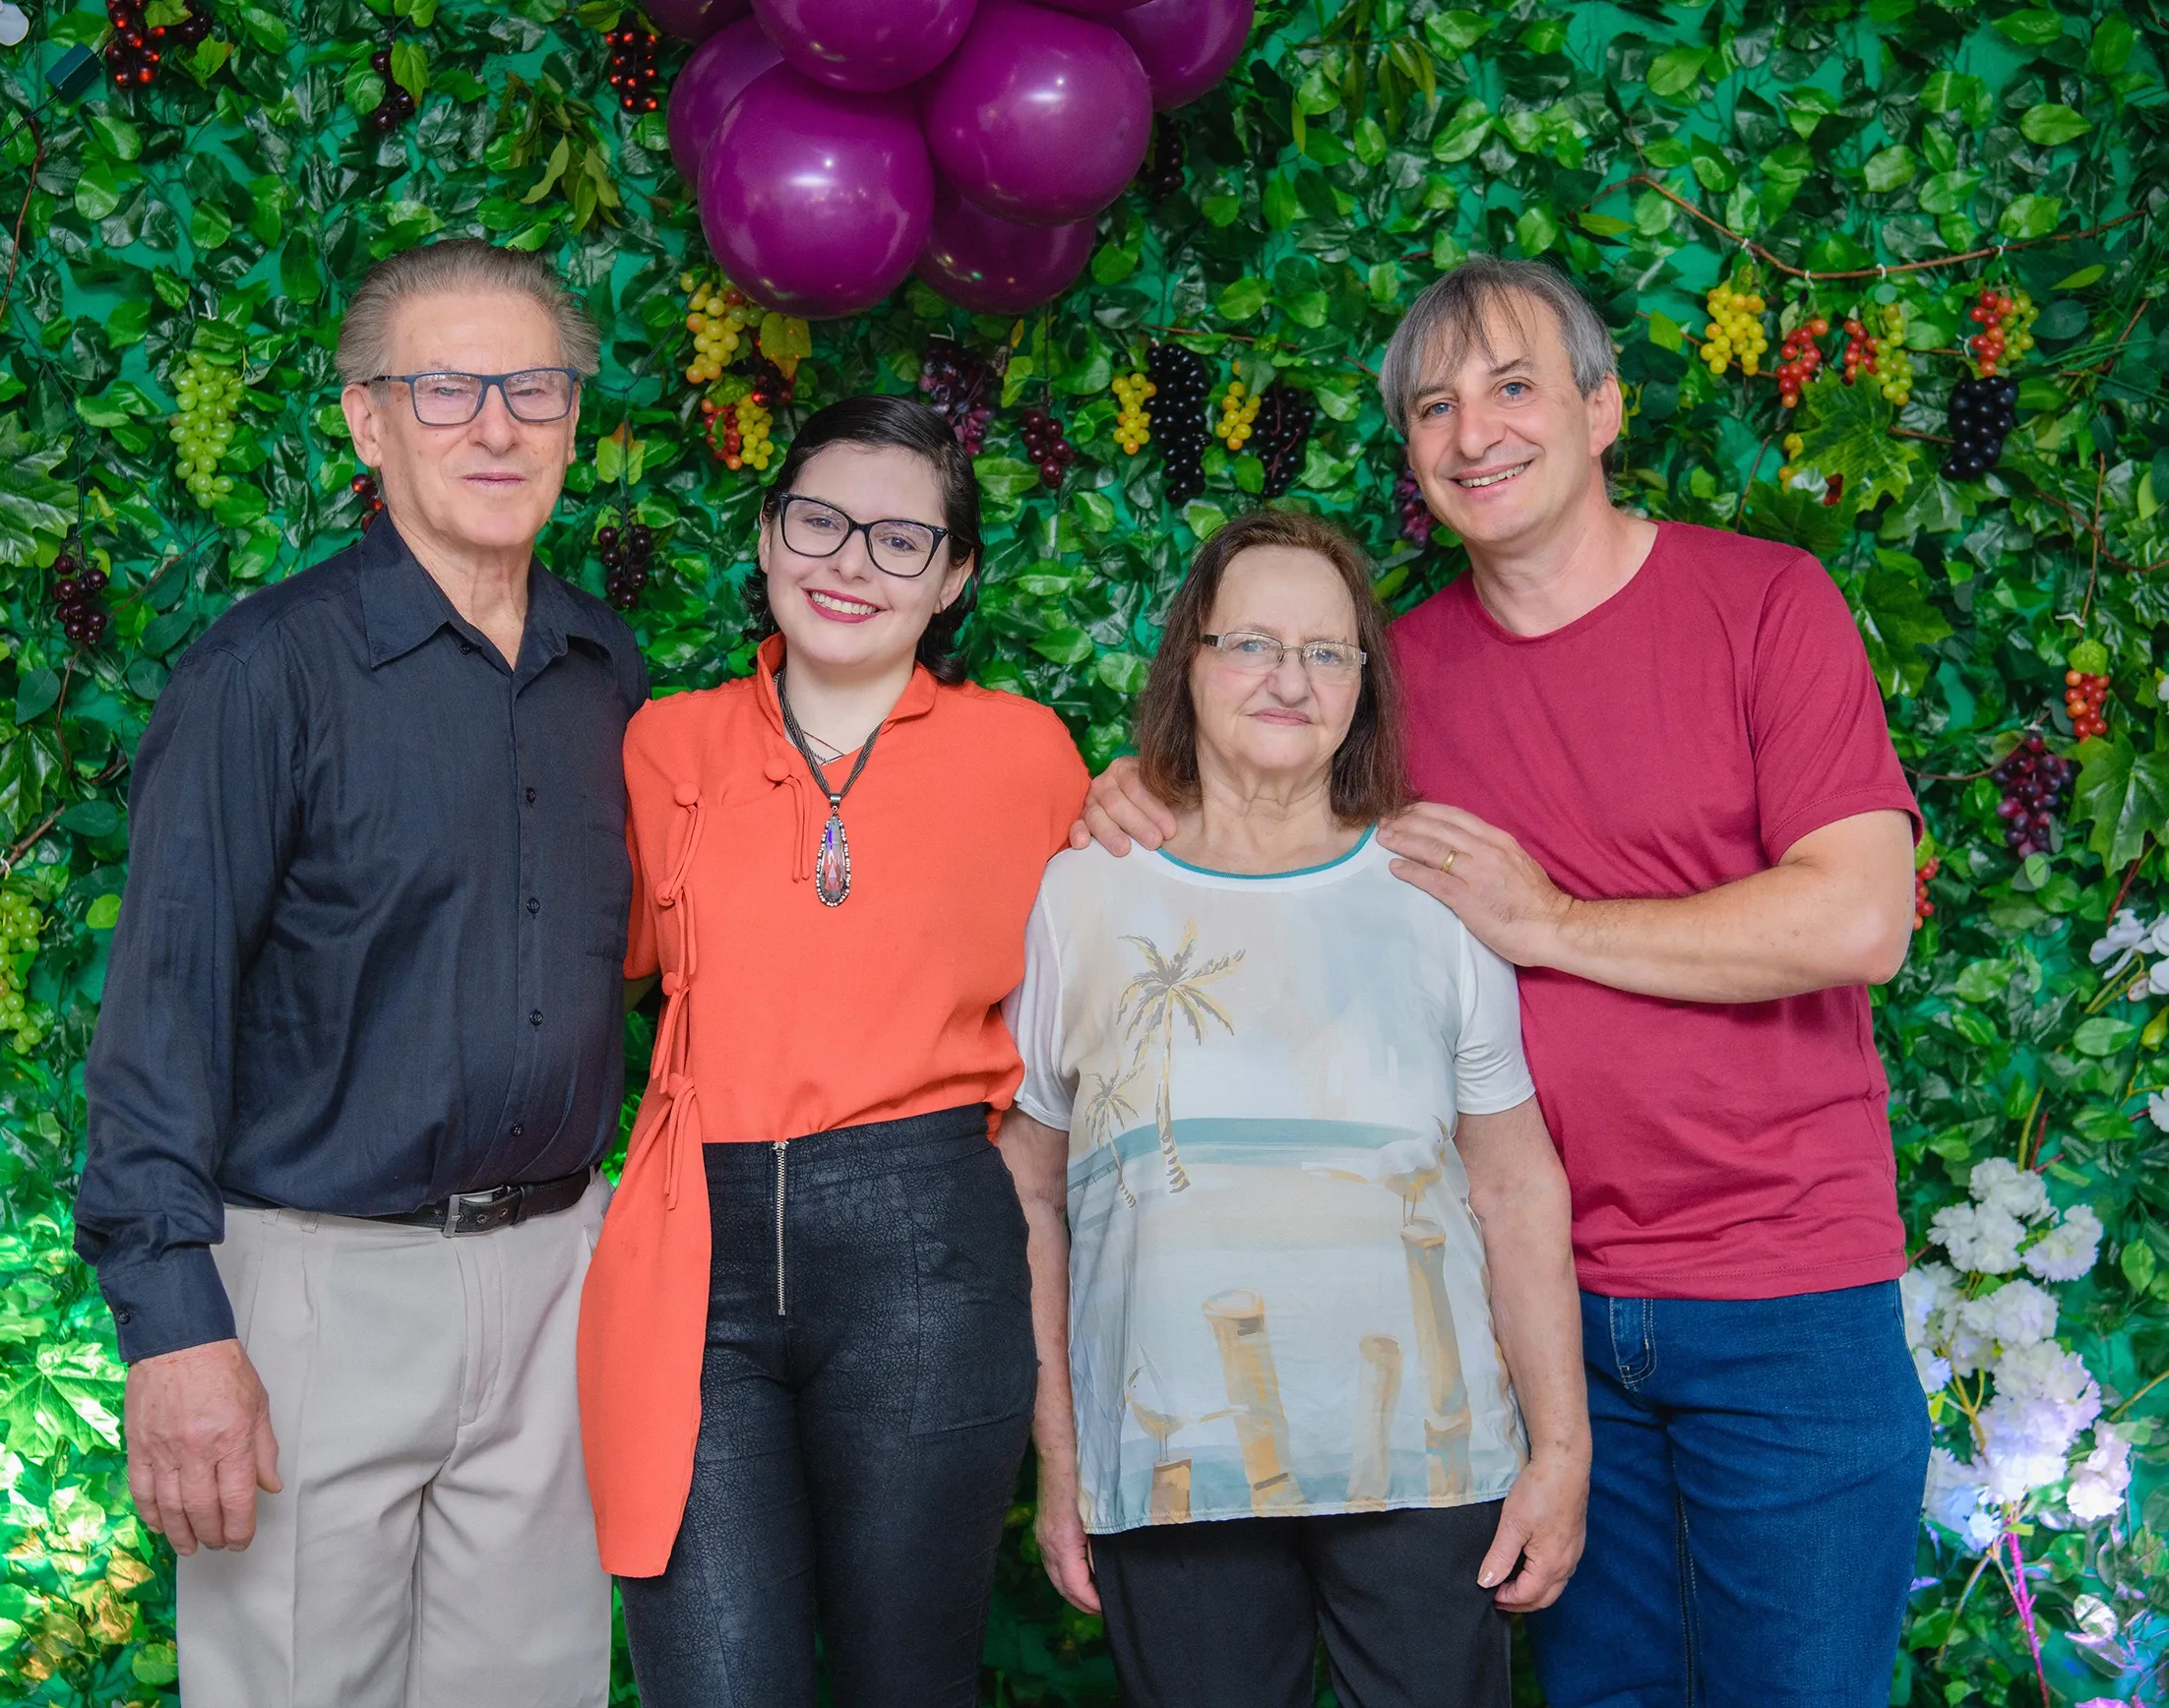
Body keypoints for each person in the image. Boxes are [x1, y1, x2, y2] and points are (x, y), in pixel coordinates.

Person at [1082, 257, 1930, 1706]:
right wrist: (1138, 796)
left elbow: (1856, 920)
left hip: (1782, 1303)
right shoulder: (1390, 680)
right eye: (1433, 406)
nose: (1474, 431)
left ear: (1602, 410)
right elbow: (1260, 829)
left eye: (1514, 385)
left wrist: (1547, 922)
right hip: (1526, 1324)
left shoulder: (1763, 602)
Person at [75, 238, 643, 1706]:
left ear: (574, 417)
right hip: (318, 1294)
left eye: (533, 387)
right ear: (365, 420)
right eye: (445, 388)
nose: (496, 424)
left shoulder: (609, 673)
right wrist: (176, 1333)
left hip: (554, 1286)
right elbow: (161, 1017)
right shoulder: (262, 675)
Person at [1002, 508, 1587, 1708]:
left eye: (1327, 651)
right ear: (1191, 662)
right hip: (1171, 1472)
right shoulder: (1080, 894)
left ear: (1363, 686)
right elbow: (1027, 1191)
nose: (1290, 677)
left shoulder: (1433, 892)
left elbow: (1515, 1183)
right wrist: (1061, 1457)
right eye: (1253, 642)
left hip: (1430, 1471)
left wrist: (1561, 1448)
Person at [577, 395, 1090, 1708]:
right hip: (701, 1244)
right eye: (819, 521)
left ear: (953, 578)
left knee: (904, 1683)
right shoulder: (662, 744)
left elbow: (1107, 989)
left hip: (924, 1239)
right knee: (717, 1684)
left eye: (899, 540)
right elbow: (585, 963)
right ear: (766, 535)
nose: (849, 562)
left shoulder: (1027, 755)